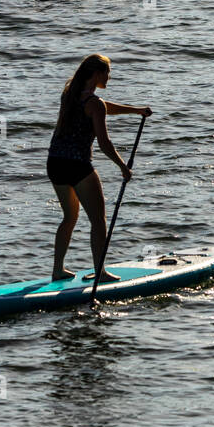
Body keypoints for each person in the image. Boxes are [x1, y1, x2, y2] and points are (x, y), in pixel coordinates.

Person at [46, 54, 151, 283]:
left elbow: (104, 107)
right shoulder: (94, 104)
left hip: (55, 163)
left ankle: (57, 269)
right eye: (107, 72)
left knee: (69, 218)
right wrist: (123, 166)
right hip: (77, 165)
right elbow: (104, 143)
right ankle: (100, 272)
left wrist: (136, 111)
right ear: (96, 74)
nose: (109, 77)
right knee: (98, 220)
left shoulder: (70, 94)